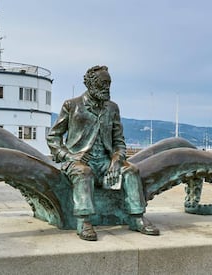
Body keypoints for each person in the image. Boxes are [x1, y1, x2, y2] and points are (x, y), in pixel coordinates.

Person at [47, 65, 159, 241]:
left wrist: (116, 159)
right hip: (78, 161)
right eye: (103, 84)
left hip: (105, 161)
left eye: (109, 84)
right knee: (84, 172)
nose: (107, 88)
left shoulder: (112, 109)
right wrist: (69, 156)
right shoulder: (71, 105)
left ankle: (137, 217)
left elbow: (119, 142)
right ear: (90, 84)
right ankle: (83, 221)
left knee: (131, 171)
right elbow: (53, 137)